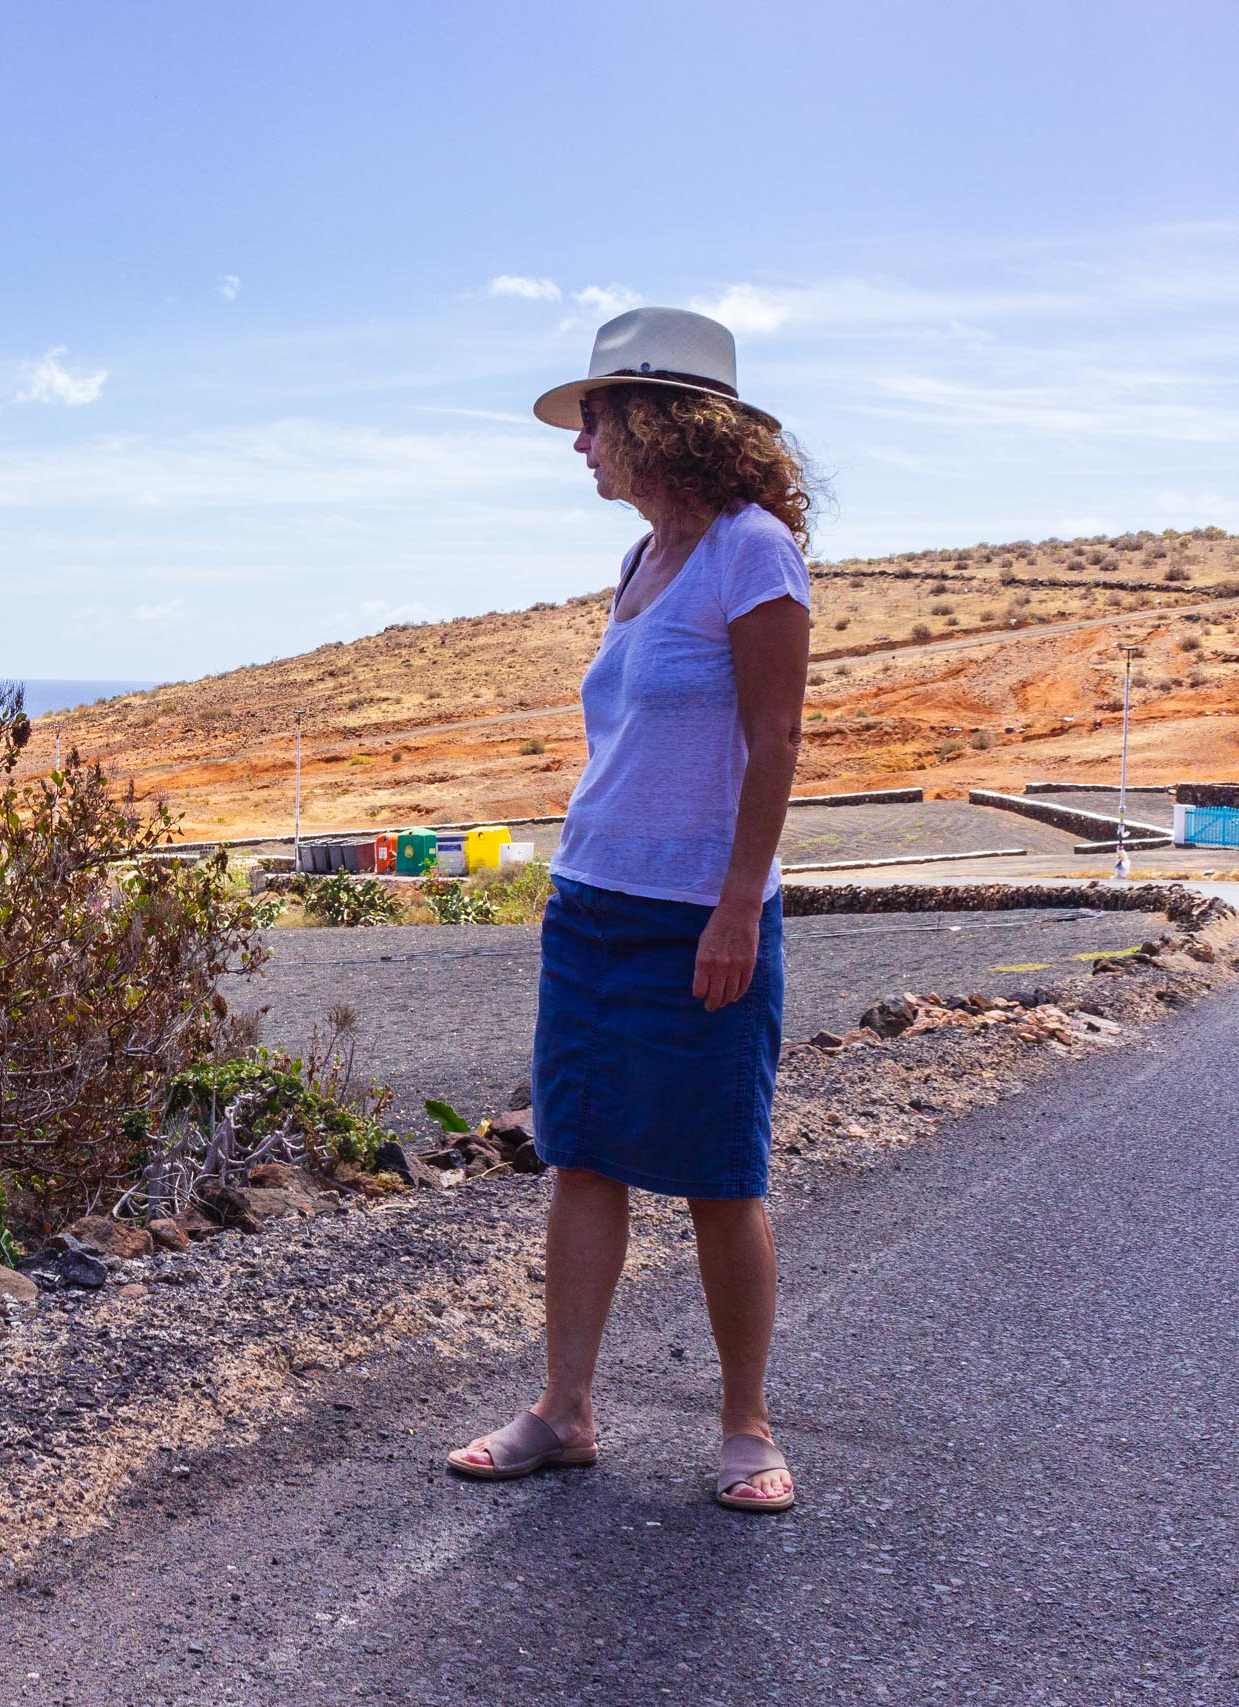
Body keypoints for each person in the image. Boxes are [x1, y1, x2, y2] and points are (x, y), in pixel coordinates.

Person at [448, 307, 815, 1513]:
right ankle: (564, 1413)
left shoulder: (751, 551)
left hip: (697, 916)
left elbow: (774, 744)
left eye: (594, 420)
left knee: (720, 1171)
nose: (580, 446)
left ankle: (747, 1428)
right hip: (591, 903)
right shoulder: (640, 559)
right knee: (584, 1157)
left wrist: (730, 910)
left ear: (660, 420)